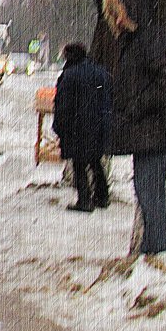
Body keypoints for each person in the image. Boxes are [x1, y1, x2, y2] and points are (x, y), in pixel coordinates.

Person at [103, 0, 166, 254]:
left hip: (155, 131)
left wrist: (139, 105)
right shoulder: (136, 42)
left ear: (134, 9)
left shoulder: (154, 38)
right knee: (146, 192)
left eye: (122, 11)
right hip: (147, 133)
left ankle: (158, 253)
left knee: (151, 195)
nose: (118, 18)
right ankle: (152, 251)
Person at [53, 42, 112, 212]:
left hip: (77, 127)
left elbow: (62, 104)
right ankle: (102, 196)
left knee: (79, 165)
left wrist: (59, 127)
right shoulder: (100, 72)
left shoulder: (70, 75)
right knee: (95, 161)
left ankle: (84, 200)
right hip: (99, 125)